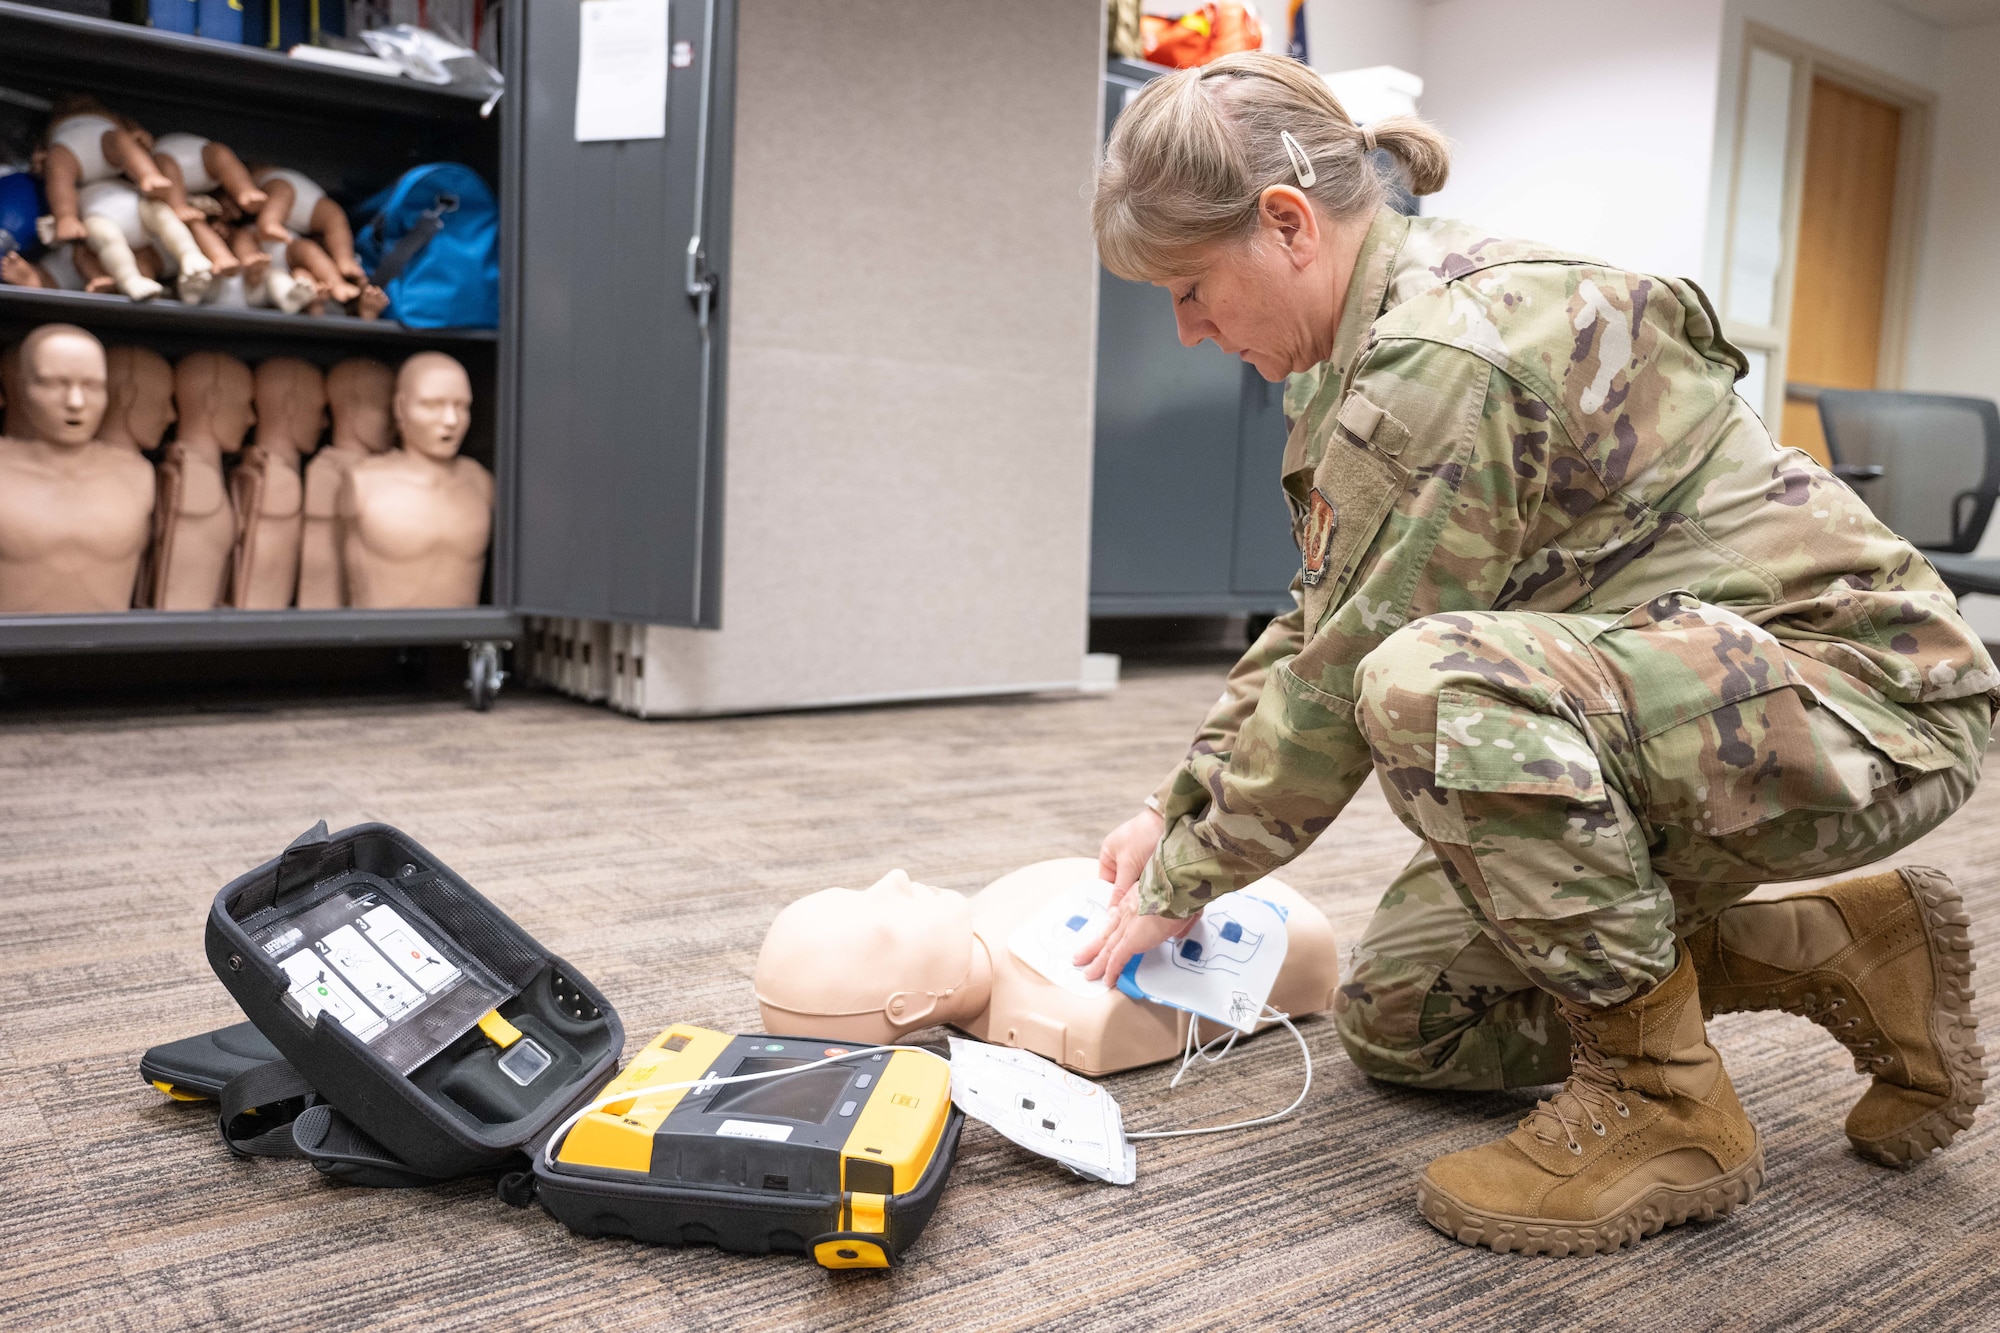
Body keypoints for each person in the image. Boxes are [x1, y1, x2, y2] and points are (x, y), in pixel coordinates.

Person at [1073, 51, 1993, 1257]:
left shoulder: (1434, 360)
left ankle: (1659, 1103)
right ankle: (1844, 946)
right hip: (1689, 691)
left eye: (1191, 287)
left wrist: (1180, 882)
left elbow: (1344, 680)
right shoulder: (1364, 336)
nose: (1189, 331)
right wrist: (1174, 805)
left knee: (1424, 685)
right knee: (1411, 1014)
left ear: (1286, 224)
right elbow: (1315, 616)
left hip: (1860, 697)